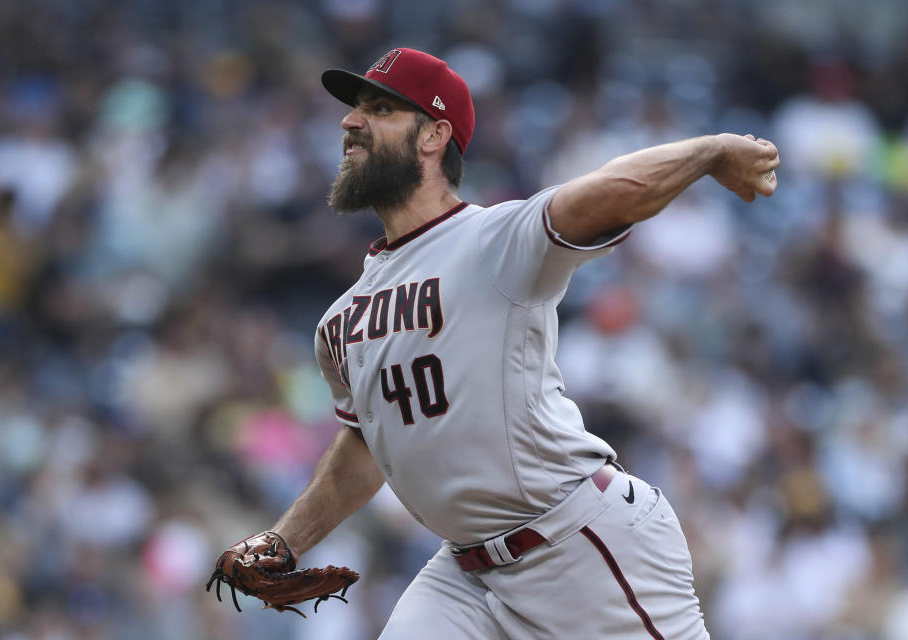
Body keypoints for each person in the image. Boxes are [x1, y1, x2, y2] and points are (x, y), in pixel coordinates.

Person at [265, 47, 778, 639]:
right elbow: (365, 446)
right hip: (463, 574)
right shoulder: (340, 319)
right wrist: (282, 544)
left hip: (576, 544)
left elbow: (607, 193)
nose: (350, 122)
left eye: (379, 108)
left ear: (434, 135)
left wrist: (709, 152)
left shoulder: (490, 240)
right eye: (356, 109)